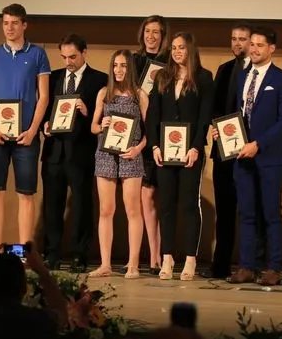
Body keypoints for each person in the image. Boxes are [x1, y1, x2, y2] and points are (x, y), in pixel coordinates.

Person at [219, 27, 282, 286]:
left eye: (260, 45)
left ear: (271, 48)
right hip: (243, 157)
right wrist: (224, 133)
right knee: (246, 213)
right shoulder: (242, 76)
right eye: (252, 44)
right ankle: (247, 267)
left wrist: (258, 144)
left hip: (269, 157)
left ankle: (273, 268)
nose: (254, 49)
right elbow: (239, 114)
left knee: (271, 213)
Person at [0, 4, 51, 248]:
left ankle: (24, 251)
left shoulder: (38, 54)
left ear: (24, 25)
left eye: (14, 23)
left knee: (26, 194)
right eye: (5, 23)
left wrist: (32, 131)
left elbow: (44, 96)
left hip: (25, 137)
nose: (9, 28)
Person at [147, 32, 214, 281]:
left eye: (181, 48)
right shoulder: (162, 76)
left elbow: (204, 117)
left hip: (190, 153)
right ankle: (167, 258)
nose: (176, 52)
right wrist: (154, 146)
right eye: (173, 48)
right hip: (164, 153)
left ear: (191, 50)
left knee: (188, 204)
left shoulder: (204, 78)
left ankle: (190, 259)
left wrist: (196, 147)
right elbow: (153, 114)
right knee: (165, 206)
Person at [40, 34, 107, 272]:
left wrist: (88, 112)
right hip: (53, 153)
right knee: (51, 206)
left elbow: (105, 117)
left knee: (81, 207)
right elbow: (44, 110)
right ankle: (51, 254)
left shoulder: (100, 80)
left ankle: (80, 256)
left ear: (84, 52)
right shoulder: (53, 78)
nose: (68, 61)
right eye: (64, 57)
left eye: (73, 56)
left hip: (81, 154)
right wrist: (44, 126)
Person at [207, 22, 266, 279]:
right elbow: (215, 108)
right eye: (234, 39)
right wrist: (214, 126)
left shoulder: (262, 72)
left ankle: (252, 264)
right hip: (224, 152)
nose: (238, 44)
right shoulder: (224, 69)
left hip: (251, 152)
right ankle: (220, 265)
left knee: (252, 210)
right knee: (225, 210)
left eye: (243, 39)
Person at [89, 50, 148, 278]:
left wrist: (138, 149)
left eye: (123, 65)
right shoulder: (104, 93)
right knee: (106, 210)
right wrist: (101, 124)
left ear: (130, 68)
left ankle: (133, 264)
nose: (119, 69)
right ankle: (105, 264)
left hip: (130, 155)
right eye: (115, 65)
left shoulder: (139, 95)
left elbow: (149, 131)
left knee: (133, 210)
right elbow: (93, 127)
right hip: (105, 155)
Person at [130, 14, 170, 274]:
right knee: (144, 199)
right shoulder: (133, 61)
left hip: (163, 134)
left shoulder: (170, 62)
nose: (151, 36)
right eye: (148, 31)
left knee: (160, 198)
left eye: (156, 32)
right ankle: (151, 257)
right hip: (136, 135)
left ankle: (160, 256)